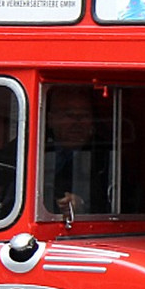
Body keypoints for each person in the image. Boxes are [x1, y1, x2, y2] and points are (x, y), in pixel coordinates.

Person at [44, 85, 111, 217]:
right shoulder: (28, 146)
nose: (77, 123)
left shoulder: (107, 154)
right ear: (50, 120)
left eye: (84, 115)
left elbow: (123, 205)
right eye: (69, 115)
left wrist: (83, 205)